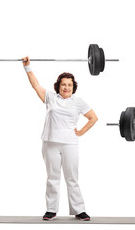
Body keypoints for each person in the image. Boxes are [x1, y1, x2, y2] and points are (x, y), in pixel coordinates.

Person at [22, 57, 98, 221]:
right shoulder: (50, 97)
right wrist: (27, 66)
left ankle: (79, 210)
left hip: (70, 143)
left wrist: (81, 132)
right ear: (58, 86)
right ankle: (51, 209)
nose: (66, 87)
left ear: (73, 87)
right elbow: (35, 85)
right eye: (63, 84)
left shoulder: (78, 102)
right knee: (53, 177)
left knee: (72, 178)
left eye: (69, 85)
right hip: (50, 143)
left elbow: (93, 118)